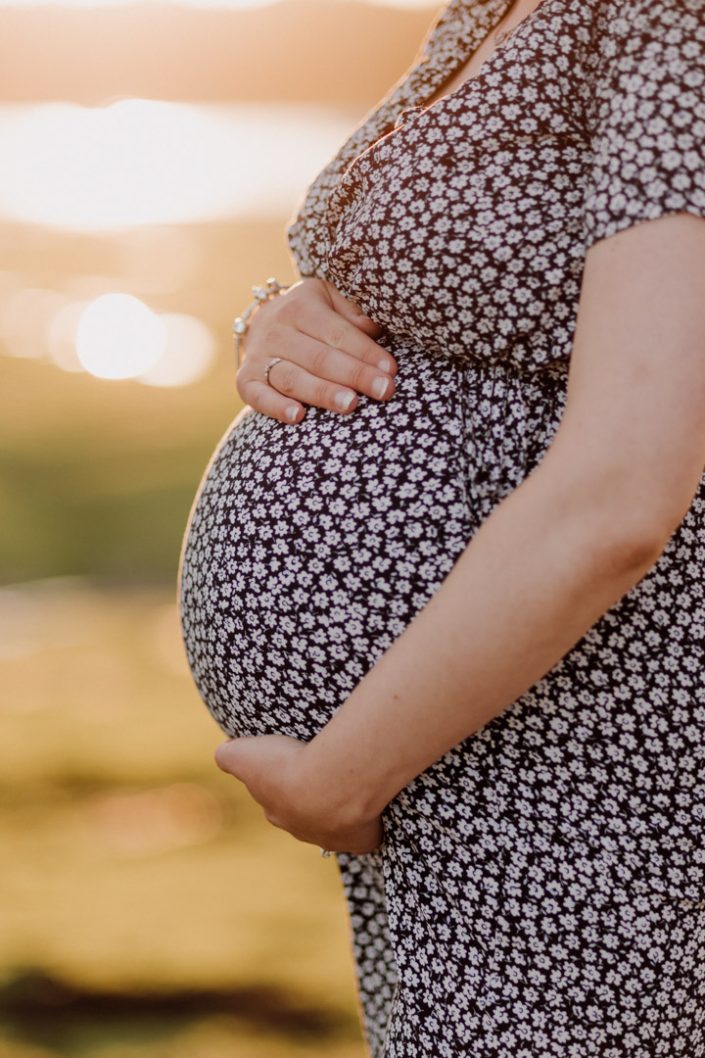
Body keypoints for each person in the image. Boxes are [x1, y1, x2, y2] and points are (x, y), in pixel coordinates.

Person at [178, 0, 705, 1053]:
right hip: (456, 757)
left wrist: (345, 772)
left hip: (583, 761)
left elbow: (622, 490)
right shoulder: (494, 10)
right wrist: (281, 317)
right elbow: (440, 277)